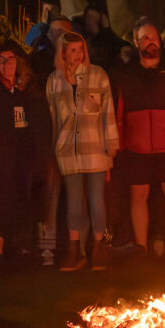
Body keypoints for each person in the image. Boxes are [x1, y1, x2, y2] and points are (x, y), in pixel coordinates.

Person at [0, 42, 52, 262]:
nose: (7, 65)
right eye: (2, 60)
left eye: (11, 59)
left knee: (22, 200)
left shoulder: (28, 89)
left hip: (24, 157)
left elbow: (39, 122)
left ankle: (21, 247)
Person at [114, 19, 165, 260]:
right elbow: (118, 111)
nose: (151, 41)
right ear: (136, 43)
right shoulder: (125, 74)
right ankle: (141, 248)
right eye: (145, 38)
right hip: (136, 148)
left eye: (154, 36)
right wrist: (121, 144)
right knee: (138, 195)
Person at [47, 31, 119, 272]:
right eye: (72, 50)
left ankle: (98, 247)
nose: (77, 55)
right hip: (67, 149)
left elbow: (108, 112)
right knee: (74, 202)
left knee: (97, 200)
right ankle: (75, 250)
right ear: (63, 52)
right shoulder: (54, 81)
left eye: (80, 49)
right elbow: (52, 118)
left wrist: (111, 146)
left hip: (95, 146)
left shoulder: (98, 76)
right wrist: (53, 147)